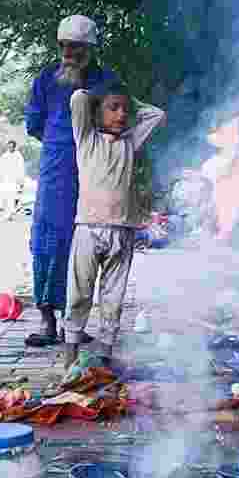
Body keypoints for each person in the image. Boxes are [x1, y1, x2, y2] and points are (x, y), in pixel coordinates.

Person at [23, 14, 121, 346]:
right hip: (55, 170)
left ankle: (74, 324)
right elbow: (33, 123)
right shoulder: (46, 79)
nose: (69, 53)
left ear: (89, 48)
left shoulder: (106, 81)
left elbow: (120, 118)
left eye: (76, 47)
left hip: (94, 170)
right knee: (47, 241)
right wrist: (59, 142)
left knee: (84, 245)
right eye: (64, 46)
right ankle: (47, 321)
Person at [63, 83, 166, 373]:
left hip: (122, 231)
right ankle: (69, 360)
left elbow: (156, 115)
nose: (122, 114)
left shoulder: (130, 143)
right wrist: (99, 91)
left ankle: (105, 358)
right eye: (113, 108)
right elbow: (79, 98)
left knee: (114, 298)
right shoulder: (86, 139)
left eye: (125, 109)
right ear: (96, 113)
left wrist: (129, 97)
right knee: (79, 294)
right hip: (87, 229)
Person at [0, 139, 26, 220]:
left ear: (14, 147)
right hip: (5, 180)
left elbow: (21, 169)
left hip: (14, 181)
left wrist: (21, 183)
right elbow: (0, 169)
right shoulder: (4, 156)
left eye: (12, 147)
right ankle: (7, 213)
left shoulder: (18, 156)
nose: (10, 148)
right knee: (5, 198)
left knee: (13, 198)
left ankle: (10, 214)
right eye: (9, 146)